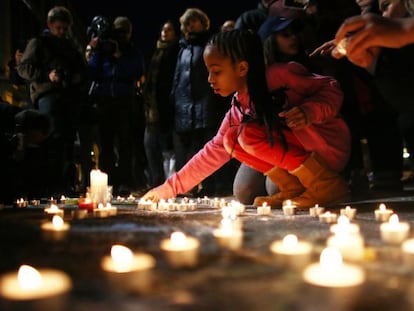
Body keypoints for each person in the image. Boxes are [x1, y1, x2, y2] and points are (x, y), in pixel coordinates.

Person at [142, 29, 350, 210]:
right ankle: (292, 188)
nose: (210, 79)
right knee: (230, 139)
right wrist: (169, 189)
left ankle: (326, 185)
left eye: (216, 71)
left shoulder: (280, 76)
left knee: (246, 134)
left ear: (242, 68)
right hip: (301, 158)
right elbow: (213, 152)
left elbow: (331, 88)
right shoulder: (238, 108)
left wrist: (310, 111)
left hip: (326, 148)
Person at [17, 6, 87, 196]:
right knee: (51, 140)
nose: (62, 32)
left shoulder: (71, 47)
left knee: (68, 142)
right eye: (58, 28)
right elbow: (24, 68)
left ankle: (65, 184)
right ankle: (50, 185)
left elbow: (83, 70)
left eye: (65, 29)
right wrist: (47, 76)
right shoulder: (39, 43)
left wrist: (76, 77)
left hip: (69, 98)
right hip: (48, 97)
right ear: (50, 25)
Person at [170, 8, 230, 196]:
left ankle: (211, 188)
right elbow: (177, 77)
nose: (191, 25)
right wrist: (174, 99)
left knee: (205, 147)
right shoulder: (182, 48)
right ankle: (184, 188)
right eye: (188, 22)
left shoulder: (211, 44)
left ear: (203, 23)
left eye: (195, 21)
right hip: (183, 107)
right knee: (183, 150)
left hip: (205, 105)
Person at [87, 16, 146, 195]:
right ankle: (108, 181)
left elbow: (137, 71)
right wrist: (98, 51)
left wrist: (120, 58)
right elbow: (92, 72)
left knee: (124, 144)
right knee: (105, 145)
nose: (122, 37)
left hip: (124, 101)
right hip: (105, 101)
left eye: (125, 33)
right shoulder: (104, 50)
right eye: (118, 32)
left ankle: (125, 182)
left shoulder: (133, 53)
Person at [143, 20, 180, 187]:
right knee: (150, 145)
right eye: (163, 29)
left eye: (169, 29)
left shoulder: (176, 51)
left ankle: (170, 183)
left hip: (168, 107)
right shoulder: (156, 51)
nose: (165, 32)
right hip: (152, 108)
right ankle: (155, 181)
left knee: (169, 148)